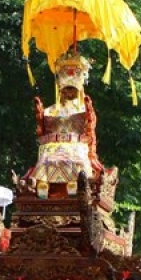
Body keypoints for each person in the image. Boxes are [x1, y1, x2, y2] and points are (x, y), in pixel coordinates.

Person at [28, 52, 103, 198]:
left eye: (72, 89)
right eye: (66, 89)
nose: (69, 92)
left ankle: (74, 181)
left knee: (77, 159)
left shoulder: (83, 109)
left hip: (77, 145)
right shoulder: (51, 110)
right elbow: (44, 129)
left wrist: (88, 113)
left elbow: (89, 128)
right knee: (45, 159)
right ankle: (43, 182)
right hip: (53, 146)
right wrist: (40, 115)